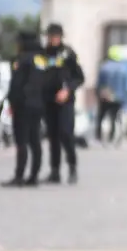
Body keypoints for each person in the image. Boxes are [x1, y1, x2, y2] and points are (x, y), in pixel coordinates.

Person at [2, 30, 49, 187]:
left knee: (22, 140)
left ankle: (19, 175)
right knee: (35, 140)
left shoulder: (22, 60)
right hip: (39, 104)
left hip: (23, 105)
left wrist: (12, 101)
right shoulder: (42, 59)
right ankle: (34, 176)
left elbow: (17, 84)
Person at [43, 23, 84, 184]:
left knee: (65, 134)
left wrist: (67, 89)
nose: (53, 39)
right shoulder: (44, 54)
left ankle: (72, 167)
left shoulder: (68, 54)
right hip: (48, 100)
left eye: (56, 36)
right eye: (51, 36)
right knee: (52, 135)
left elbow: (79, 77)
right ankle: (55, 171)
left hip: (65, 101)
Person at [95, 51, 127, 144]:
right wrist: (125, 100)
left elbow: (99, 83)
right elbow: (126, 86)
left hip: (105, 96)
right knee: (113, 118)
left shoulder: (104, 67)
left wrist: (98, 94)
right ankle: (111, 137)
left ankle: (98, 136)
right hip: (118, 98)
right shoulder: (124, 69)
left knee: (101, 116)